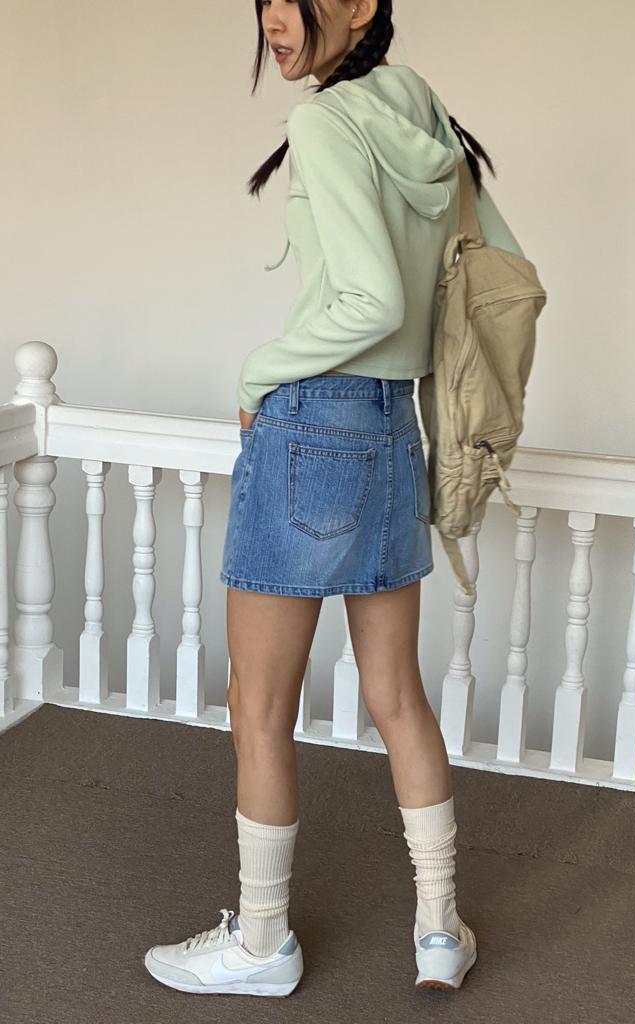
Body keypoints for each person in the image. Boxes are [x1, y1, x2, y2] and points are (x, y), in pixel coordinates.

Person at [143, 0, 524, 997]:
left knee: (258, 703)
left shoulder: (324, 119)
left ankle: (263, 942)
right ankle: (438, 929)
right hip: (396, 426)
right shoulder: (423, 112)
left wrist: (257, 372)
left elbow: (373, 301)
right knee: (397, 694)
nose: (275, 18)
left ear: (362, 6)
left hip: (315, 420)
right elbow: (483, 278)